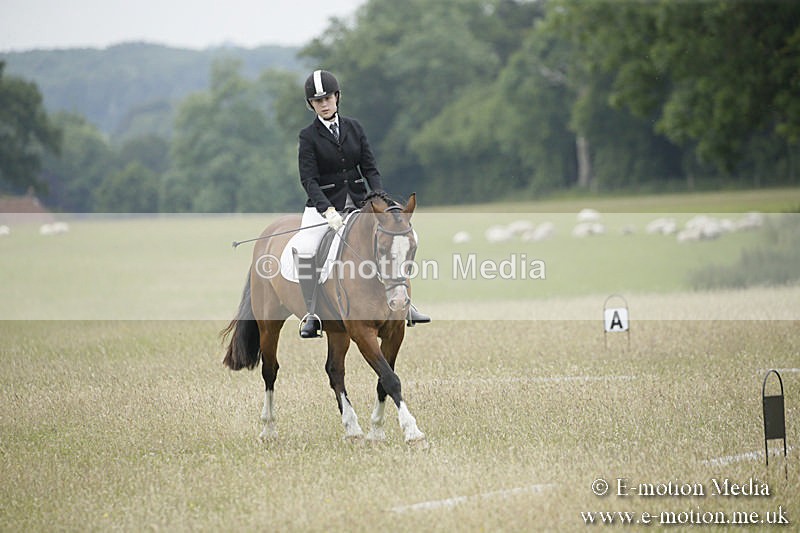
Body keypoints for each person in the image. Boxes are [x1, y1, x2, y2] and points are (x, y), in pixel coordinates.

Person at [295, 69, 430, 338]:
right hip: (324, 207)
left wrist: (378, 197)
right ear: (311, 104)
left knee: (403, 235)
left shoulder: (355, 128)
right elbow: (308, 180)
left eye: (327, 98)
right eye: (317, 100)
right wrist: (327, 210)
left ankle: (405, 303)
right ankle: (312, 314)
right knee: (306, 247)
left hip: (361, 202)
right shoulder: (307, 137)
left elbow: (369, 167)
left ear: (337, 98)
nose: (323, 104)